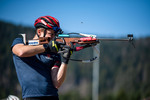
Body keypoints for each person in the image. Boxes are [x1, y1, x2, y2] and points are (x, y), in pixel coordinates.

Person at [11, 15, 72, 100]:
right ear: (39, 32)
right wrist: (46, 47)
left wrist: (65, 60)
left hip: (53, 97)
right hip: (31, 97)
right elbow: (21, 52)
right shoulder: (20, 42)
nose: (53, 37)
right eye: (51, 34)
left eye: (55, 35)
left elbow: (57, 83)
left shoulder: (54, 52)